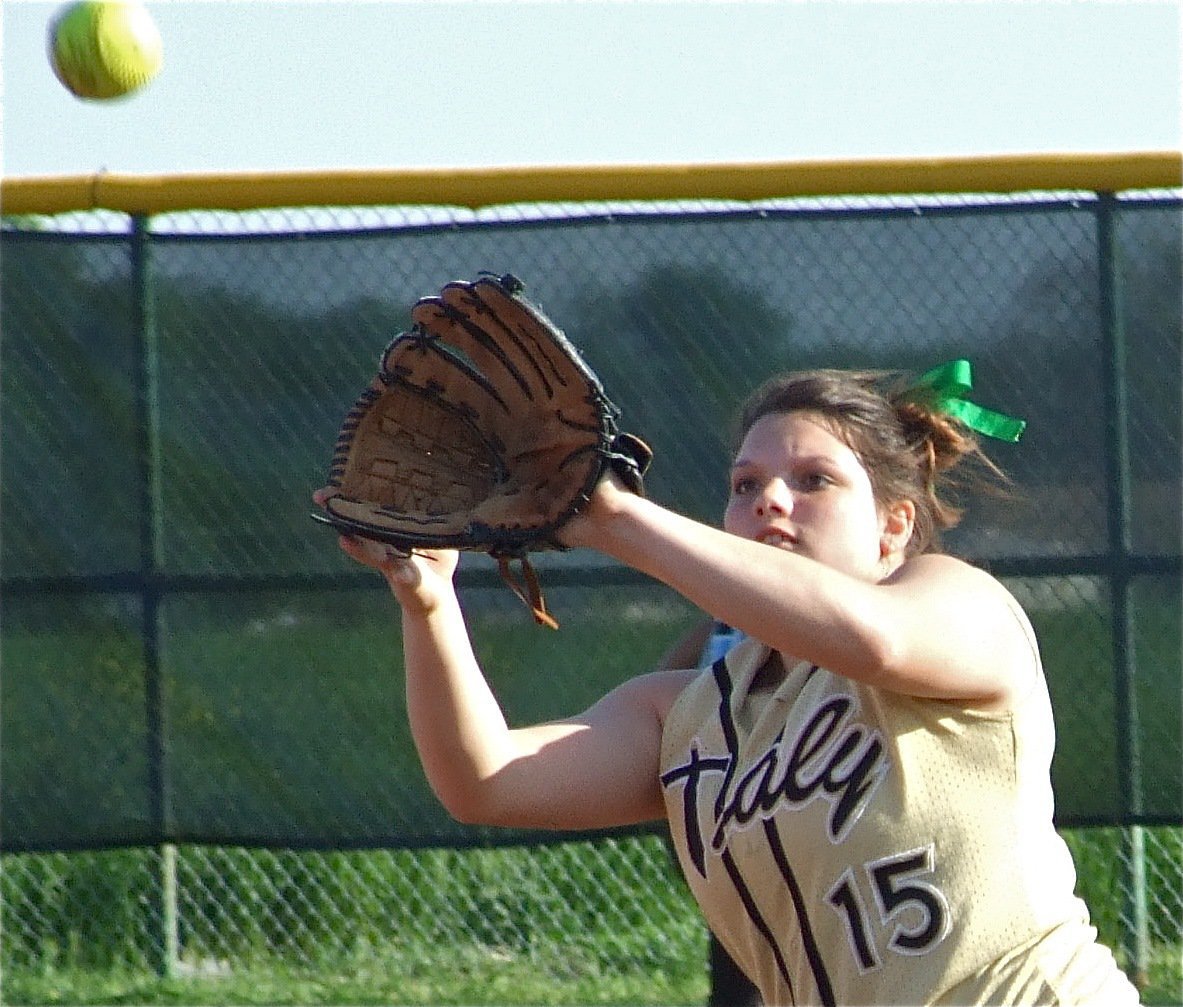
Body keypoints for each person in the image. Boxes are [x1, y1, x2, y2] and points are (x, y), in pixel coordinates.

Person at [314, 361, 1140, 1006]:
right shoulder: (692, 710)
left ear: (893, 525)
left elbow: (869, 638)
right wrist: (426, 598)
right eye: (745, 484)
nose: (770, 500)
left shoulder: (957, 603)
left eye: (813, 480)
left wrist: (610, 516)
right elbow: (485, 779)